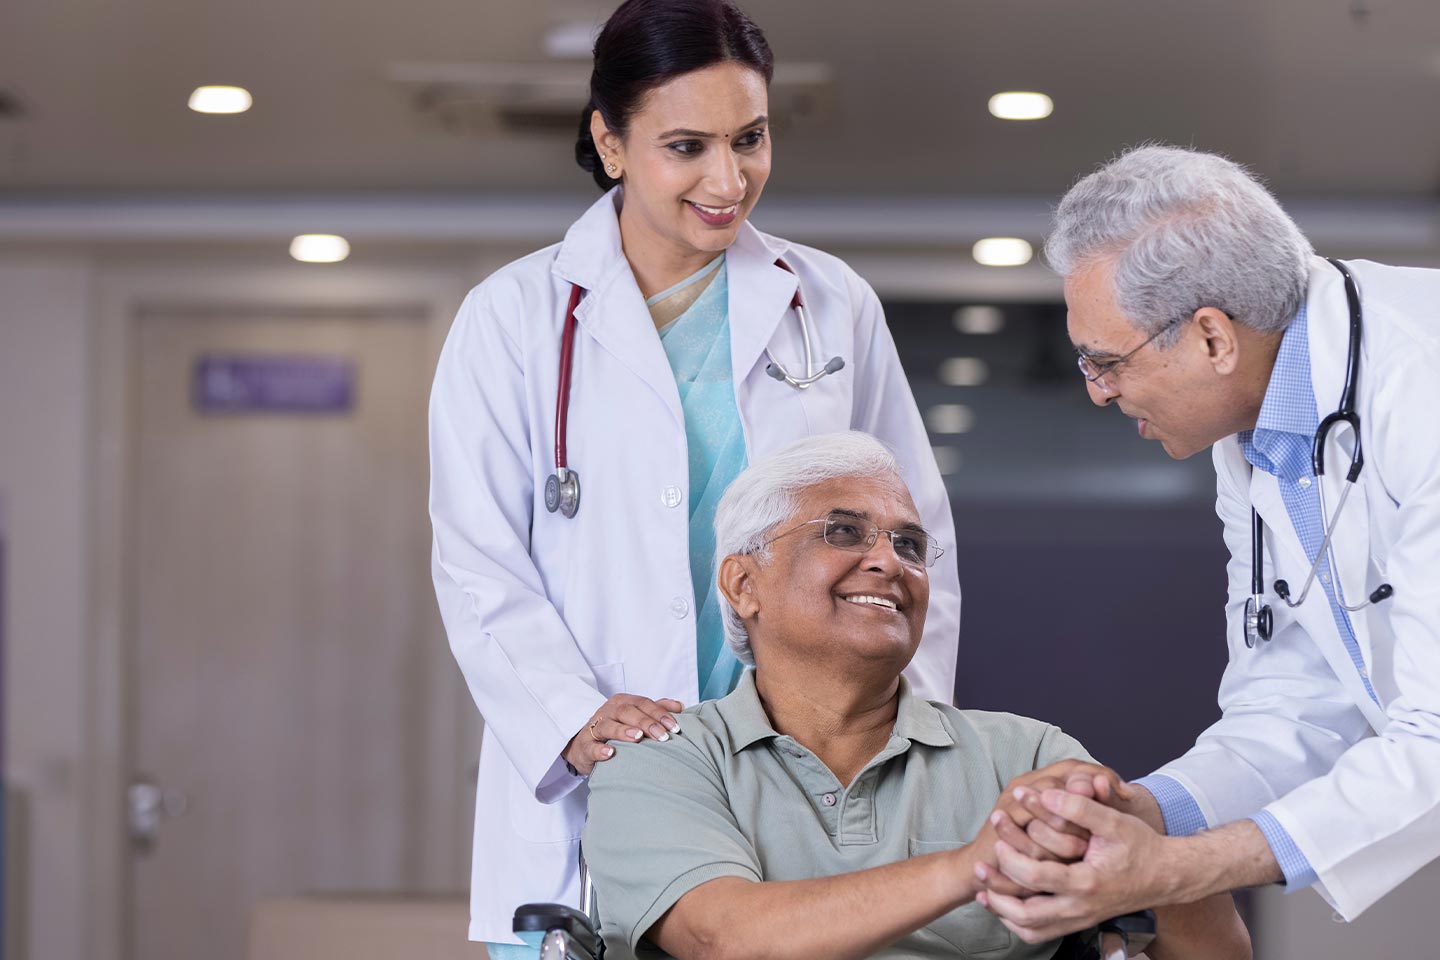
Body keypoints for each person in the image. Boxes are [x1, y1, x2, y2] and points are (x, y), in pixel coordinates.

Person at [427, 0, 960, 948]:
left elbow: (915, 539)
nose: (729, 178)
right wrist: (570, 715)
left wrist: (909, 740)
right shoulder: (511, 317)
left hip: (807, 763)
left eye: (750, 138)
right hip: (595, 791)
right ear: (611, 140)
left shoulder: (828, 303)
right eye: (687, 146)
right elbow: (477, 560)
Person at [975, 144, 1440, 941]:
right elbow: (1293, 702)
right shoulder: (1257, 429)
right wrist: (1144, 810)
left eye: (1106, 360)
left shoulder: (1421, 385)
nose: (1095, 391)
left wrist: (1176, 867)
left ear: (1213, 338)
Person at [583, 432, 1249, 960]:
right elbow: (722, 940)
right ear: (742, 583)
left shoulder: (1025, 755)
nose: (888, 561)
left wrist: (1144, 833)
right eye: (843, 531)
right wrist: (973, 866)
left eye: (909, 544)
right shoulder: (659, 756)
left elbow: (1219, 953)